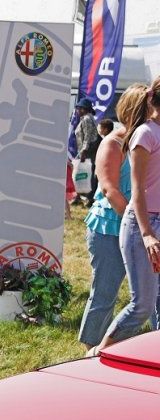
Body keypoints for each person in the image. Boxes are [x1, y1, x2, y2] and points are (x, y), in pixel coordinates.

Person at [92, 77, 160, 354]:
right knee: (141, 306)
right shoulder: (145, 134)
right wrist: (146, 234)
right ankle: (98, 354)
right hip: (143, 224)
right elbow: (138, 189)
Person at [78, 85, 147, 351]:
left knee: (151, 295)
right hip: (109, 226)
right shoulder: (112, 142)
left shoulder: (148, 139)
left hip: (140, 224)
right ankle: (91, 350)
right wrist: (140, 223)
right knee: (106, 290)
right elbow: (109, 189)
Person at [74, 97, 101, 205]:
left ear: (84, 109)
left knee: (86, 173)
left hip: (88, 151)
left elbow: (88, 136)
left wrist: (84, 151)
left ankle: (89, 198)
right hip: (86, 150)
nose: (77, 110)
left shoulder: (87, 119)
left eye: (79, 108)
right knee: (82, 173)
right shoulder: (87, 118)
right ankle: (78, 196)